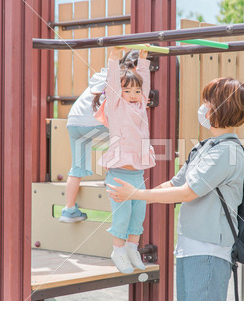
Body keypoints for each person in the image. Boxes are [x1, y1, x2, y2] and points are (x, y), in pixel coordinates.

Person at [107, 77, 244, 300]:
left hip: (209, 252)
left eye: (208, 102)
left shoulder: (227, 152)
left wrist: (136, 194)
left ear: (222, 108)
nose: (203, 107)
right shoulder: (204, 147)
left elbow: (187, 192)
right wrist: (130, 200)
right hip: (189, 247)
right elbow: (174, 185)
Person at [60, 50, 140, 223]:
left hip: (74, 121)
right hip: (95, 121)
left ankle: (69, 210)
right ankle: (111, 174)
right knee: (124, 135)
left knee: (77, 167)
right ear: (134, 67)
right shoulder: (122, 78)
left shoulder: (102, 74)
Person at [100, 46, 155, 274]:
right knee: (122, 216)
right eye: (127, 91)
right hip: (119, 175)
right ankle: (118, 250)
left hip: (137, 175)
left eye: (136, 91)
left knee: (137, 216)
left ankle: (132, 248)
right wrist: (114, 59)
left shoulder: (140, 105)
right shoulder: (116, 106)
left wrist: (143, 61)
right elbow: (113, 85)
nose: (133, 95)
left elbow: (146, 86)